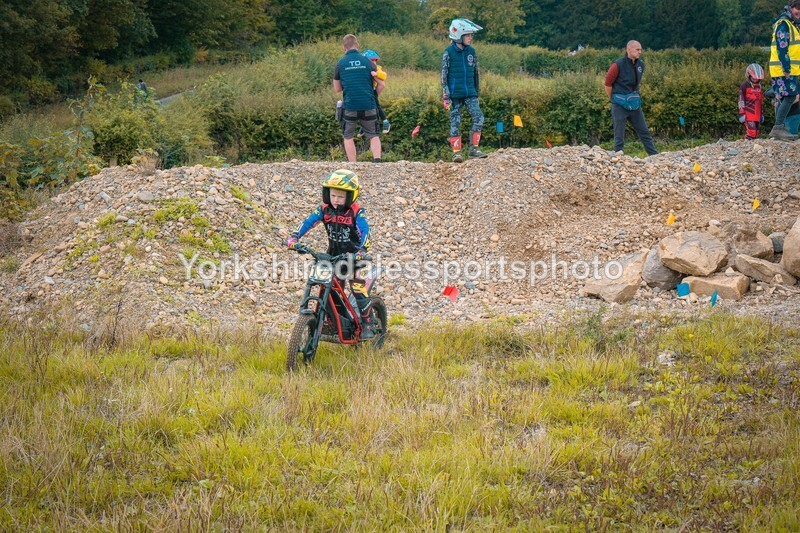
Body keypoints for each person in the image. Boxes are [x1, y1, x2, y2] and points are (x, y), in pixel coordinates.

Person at [286, 169, 376, 338]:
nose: (336, 200)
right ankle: (333, 321)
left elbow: (365, 230)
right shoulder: (323, 210)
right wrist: (295, 237)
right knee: (331, 288)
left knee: (357, 286)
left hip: (355, 257)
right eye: (333, 195)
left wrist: (362, 250)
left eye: (341, 197)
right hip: (333, 256)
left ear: (351, 196)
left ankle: (368, 322)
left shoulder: (357, 212)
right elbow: (308, 222)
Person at [441, 18, 488, 163]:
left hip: (471, 94)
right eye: (468, 35)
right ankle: (456, 153)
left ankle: (474, 149)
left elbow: (475, 74)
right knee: (455, 122)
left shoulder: (472, 52)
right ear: (459, 35)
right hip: (454, 95)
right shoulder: (448, 52)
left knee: (479, 117)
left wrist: (477, 93)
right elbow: (444, 74)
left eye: (470, 35)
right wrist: (445, 94)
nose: (470, 38)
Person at [334, 35, 385, 163]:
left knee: (348, 136)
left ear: (344, 48)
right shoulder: (368, 62)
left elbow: (337, 89)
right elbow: (380, 82)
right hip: (368, 104)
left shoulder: (340, 63)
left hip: (350, 106)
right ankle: (377, 161)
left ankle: (353, 165)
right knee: (373, 135)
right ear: (357, 46)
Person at [604, 40, 658, 156]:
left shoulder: (641, 66)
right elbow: (608, 84)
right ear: (629, 50)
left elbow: (635, 85)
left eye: (641, 50)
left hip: (634, 103)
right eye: (637, 49)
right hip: (619, 103)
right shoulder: (617, 65)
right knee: (619, 134)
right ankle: (618, 159)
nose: (640, 52)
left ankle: (655, 156)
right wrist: (613, 99)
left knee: (644, 131)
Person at [768, 0, 800, 141]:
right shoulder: (784, 24)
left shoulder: (791, 24)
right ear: (791, 8)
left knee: (784, 97)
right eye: (797, 9)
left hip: (787, 69)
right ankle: (778, 127)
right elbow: (782, 47)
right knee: (790, 96)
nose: (799, 12)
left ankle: (779, 127)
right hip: (784, 70)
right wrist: (786, 67)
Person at [362, 50, 390, 133]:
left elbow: (384, 75)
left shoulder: (377, 68)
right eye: (372, 60)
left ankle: (385, 121)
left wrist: (376, 74)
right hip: (364, 91)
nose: (374, 62)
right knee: (365, 109)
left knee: (376, 106)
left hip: (372, 90)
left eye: (375, 60)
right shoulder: (363, 69)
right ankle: (363, 127)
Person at [739, 64, 765, 140]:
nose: (755, 80)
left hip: (757, 114)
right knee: (751, 132)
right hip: (748, 114)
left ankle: (754, 149)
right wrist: (741, 113)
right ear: (749, 76)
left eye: (757, 78)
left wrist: (762, 113)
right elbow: (741, 99)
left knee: (756, 132)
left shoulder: (759, 87)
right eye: (754, 78)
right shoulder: (744, 86)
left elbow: (761, 101)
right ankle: (746, 145)